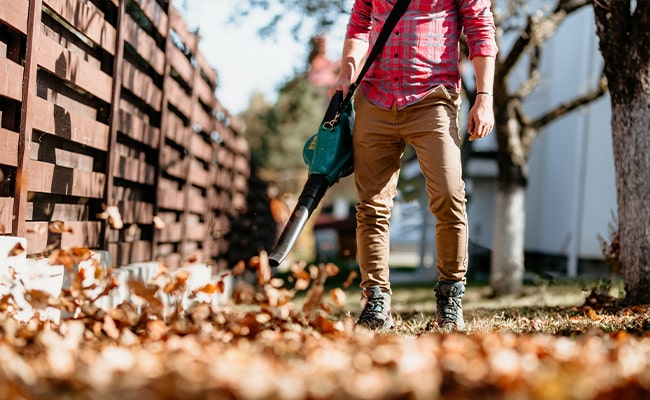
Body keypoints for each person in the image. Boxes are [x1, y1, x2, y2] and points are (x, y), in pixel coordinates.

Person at [328, 0, 498, 331]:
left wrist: (485, 97)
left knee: (449, 196)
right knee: (372, 207)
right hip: (375, 97)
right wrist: (346, 73)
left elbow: (480, 28)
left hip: (433, 98)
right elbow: (360, 22)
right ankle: (375, 300)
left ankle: (450, 297)